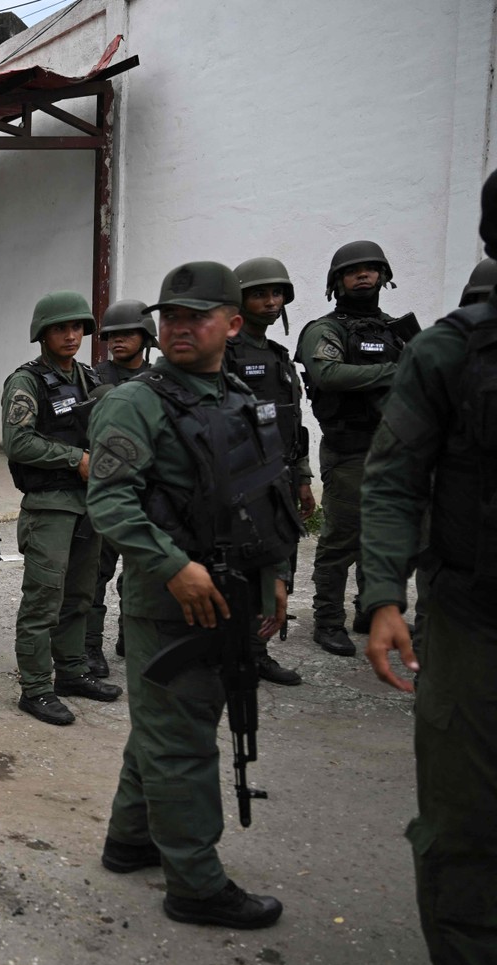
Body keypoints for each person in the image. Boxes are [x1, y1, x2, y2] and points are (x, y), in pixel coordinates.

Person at [88, 261, 300, 931]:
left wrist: (274, 577)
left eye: (195, 317)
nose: (178, 327)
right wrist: (173, 565)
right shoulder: (134, 401)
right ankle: (196, 882)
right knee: (181, 739)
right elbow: (111, 502)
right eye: (169, 317)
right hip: (168, 597)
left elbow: (265, 495)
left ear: (232, 324)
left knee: (168, 725)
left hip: (234, 585)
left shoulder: (238, 397)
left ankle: (132, 838)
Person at [362, 173, 497, 965]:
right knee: (466, 815)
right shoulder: (451, 352)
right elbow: (395, 478)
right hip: (474, 616)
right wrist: (382, 597)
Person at [3, 291, 120, 726]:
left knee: (80, 597)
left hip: (89, 505)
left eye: (77, 328)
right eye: (60, 328)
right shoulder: (26, 382)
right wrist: (77, 460)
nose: (71, 336)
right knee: (43, 599)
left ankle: (71, 673)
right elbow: (17, 441)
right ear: (43, 334)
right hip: (50, 505)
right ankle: (35, 689)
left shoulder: (89, 378)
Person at [297, 240, 414, 657]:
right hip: (348, 449)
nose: (363, 275)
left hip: (394, 448)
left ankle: (372, 610)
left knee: (386, 536)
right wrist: (394, 371)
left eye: (370, 269)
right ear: (338, 281)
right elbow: (327, 373)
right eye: (353, 270)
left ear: (384, 276)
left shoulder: (395, 329)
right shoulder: (325, 330)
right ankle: (328, 620)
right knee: (341, 538)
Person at [224, 257, 314, 687]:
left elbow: (293, 422)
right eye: (259, 293)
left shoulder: (279, 356)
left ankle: (257, 653)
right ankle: (230, 652)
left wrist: (303, 476)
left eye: (277, 293)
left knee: (276, 567)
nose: (271, 301)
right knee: (236, 567)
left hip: (279, 477)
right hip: (240, 480)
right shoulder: (225, 351)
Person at [83, 299, 156, 678]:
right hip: (110, 489)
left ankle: (133, 636)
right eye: (112, 335)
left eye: (127, 334)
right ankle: (90, 646)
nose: (117, 341)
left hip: (148, 491)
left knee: (142, 571)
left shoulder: (161, 378)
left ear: (146, 337)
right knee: (97, 573)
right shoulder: (94, 378)